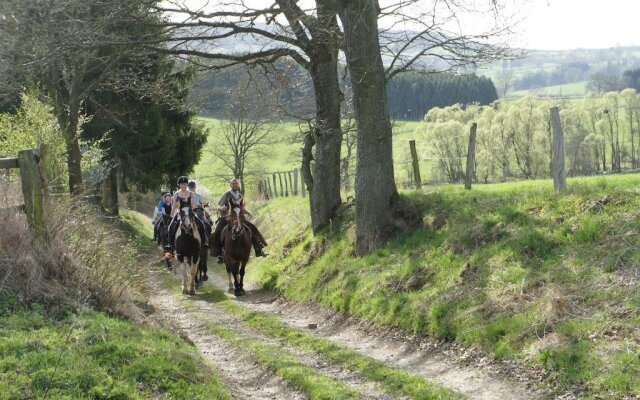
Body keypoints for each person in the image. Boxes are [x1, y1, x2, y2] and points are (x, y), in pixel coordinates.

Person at [210, 178, 268, 264]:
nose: (235, 185)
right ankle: (219, 254)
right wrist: (223, 208)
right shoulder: (226, 194)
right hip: (227, 217)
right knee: (217, 231)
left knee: (252, 228)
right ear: (230, 185)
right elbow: (219, 206)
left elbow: (242, 208)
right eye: (233, 184)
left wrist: (248, 212)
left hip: (238, 218)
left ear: (238, 185)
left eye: (236, 184)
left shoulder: (240, 195)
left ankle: (258, 249)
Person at [164, 176, 209, 252]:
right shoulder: (176, 194)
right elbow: (174, 206)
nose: (183, 186)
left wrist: (193, 205)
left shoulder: (191, 193)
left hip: (190, 213)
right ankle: (170, 244)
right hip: (180, 213)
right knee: (171, 226)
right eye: (181, 184)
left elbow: (193, 205)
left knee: (201, 224)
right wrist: (171, 216)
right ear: (179, 185)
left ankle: (203, 243)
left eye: (185, 184)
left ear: (187, 184)